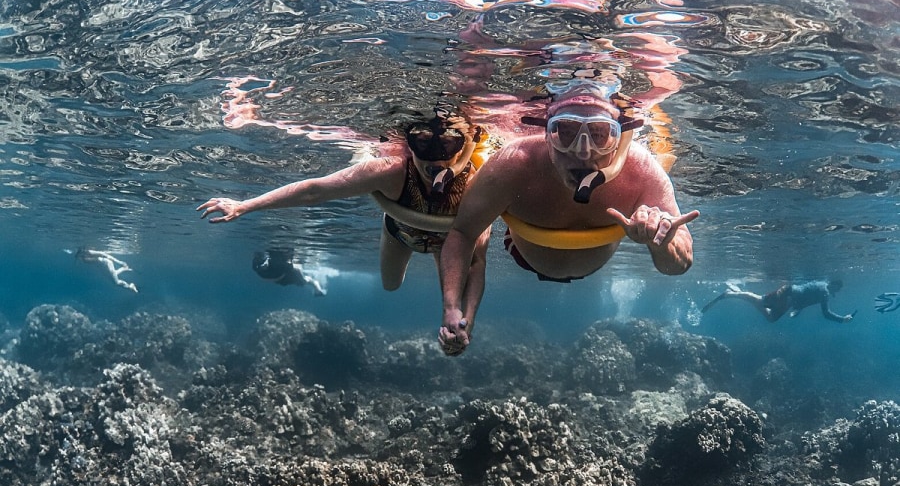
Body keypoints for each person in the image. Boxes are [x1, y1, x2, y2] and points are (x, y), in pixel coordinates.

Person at [438, 82, 699, 355]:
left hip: (567, 257)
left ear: (619, 137)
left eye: (599, 135)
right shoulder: (511, 165)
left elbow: (678, 266)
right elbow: (463, 233)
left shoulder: (643, 171)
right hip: (523, 254)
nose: (583, 151)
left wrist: (662, 240)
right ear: (547, 134)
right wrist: (451, 307)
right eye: (566, 132)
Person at [198, 107, 492, 328]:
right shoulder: (390, 172)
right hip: (399, 233)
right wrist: (244, 205)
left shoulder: (480, 183)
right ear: (409, 144)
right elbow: (315, 190)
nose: (434, 160)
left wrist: (466, 321)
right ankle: (361, 153)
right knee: (391, 285)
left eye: (448, 145)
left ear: (462, 147)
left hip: (448, 242)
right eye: (422, 144)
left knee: (452, 304)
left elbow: (478, 259)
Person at [702, 280, 856, 323]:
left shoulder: (823, 285)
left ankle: (739, 293)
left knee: (771, 318)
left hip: (789, 297)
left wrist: (797, 309)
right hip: (786, 294)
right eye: (837, 289)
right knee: (761, 301)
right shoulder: (825, 292)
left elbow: (806, 294)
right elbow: (826, 314)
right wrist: (842, 319)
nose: (836, 293)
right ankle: (730, 294)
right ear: (834, 286)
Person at [253, 249, 326, 296]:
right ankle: (316, 287)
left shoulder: (259, 266)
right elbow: (293, 268)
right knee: (303, 281)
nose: (264, 264)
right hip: (284, 277)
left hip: (283, 275)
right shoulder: (279, 266)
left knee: (303, 280)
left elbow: (293, 268)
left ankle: (317, 287)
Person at [74, 248, 139, 293]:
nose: (78, 257)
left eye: (78, 255)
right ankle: (124, 268)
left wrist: (119, 262)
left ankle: (131, 286)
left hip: (106, 264)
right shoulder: (83, 258)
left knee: (116, 282)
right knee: (112, 275)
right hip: (102, 267)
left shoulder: (89, 252)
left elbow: (105, 254)